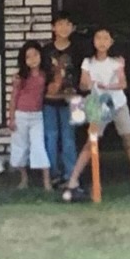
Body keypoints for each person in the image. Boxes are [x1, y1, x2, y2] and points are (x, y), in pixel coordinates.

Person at [61, 27, 130, 201]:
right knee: (91, 142)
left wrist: (108, 87)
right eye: (98, 38)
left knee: (128, 140)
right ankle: (72, 181)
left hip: (118, 103)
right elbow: (83, 84)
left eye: (106, 38)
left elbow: (123, 83)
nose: (102, 42)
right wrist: (87, 84)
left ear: (111, 42)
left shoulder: (117, 62)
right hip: (97, 104)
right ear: (93, 41)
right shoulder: (87, 62)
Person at [42, 11, 87, 186]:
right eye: (60, 24)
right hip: (49, 100)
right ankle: (53, 174)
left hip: (74, 101)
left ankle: (71, 175)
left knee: (70, 138)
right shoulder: (46, 51)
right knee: (51, 137)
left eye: (68, 24)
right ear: (53, 27)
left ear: (73, 28)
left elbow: (83, 74)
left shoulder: (78, 50)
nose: (64, 28)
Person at [8, 40, 52, 190]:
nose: (33, 59)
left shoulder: (45, 75)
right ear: (24, 60)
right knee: (20, 147)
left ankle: (47, 182)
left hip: (37, 116)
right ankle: (24, 179)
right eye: (28, 57)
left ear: (41, 56)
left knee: (39, 146)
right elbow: (14, 97)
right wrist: (11, 118)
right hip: (21, 116)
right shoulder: (20, 77)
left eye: (35, 55)